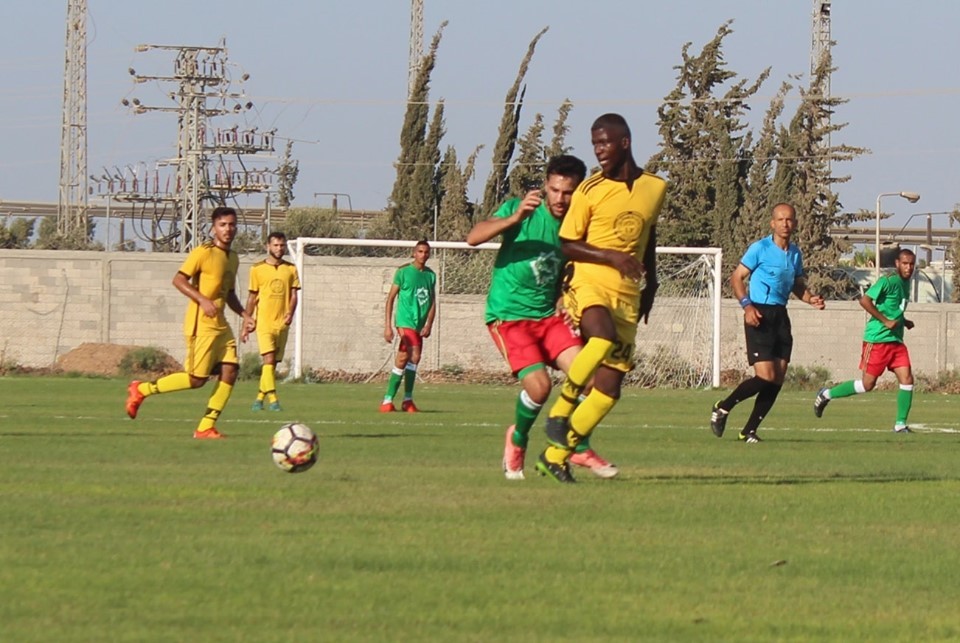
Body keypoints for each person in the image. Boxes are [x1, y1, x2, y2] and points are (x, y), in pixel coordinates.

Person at [467, 154, 619, 481]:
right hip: (509, 316)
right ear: (546, 186)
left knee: (592, 380)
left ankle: (578, 446)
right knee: (540, 388)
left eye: (568, 193)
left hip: (548, 318)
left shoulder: (578, 226)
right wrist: (515, 217)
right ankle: (517, 440)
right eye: (554, 190)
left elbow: (575, 268)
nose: (560, 199)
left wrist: (568, 298)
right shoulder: (520, 210)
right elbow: (474, 237)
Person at [534, 113, 667, 483]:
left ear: (624, 142)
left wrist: (651, 285)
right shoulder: (589, 190)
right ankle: (560, 413)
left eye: (604, 143)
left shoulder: (655, 187)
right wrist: (611, 256)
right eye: (594, 144)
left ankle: (555, 456)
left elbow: (648, 238)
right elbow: (567, 243)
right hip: (589, 281)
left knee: (609, 389)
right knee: (601, 335)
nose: (599, 151)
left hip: (627, 293)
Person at [125, 206, 254, 439]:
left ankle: (206, 426)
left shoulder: (233, 258)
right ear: (213, 227)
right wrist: (202, 299)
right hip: (200, 324)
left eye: (232, 224)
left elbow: (229, 293)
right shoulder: (202, 252)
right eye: (223, 225)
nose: (228, 229)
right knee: (196, 380)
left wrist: (245, 315)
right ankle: (141, 389)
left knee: (231, 370)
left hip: (221, 324)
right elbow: (178, 279)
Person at [710, 202, 825, 443]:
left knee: (778, 377)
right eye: (780, 219)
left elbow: (796, 285)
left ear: (795, 223)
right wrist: (747, 305)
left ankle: (748, 431)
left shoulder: (794, 253)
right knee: (765, 376)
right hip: (759, 313)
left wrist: (810, 299)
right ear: (772, 223)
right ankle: (723, 407)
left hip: (781, 316)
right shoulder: (760, 248)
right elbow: (737, 277)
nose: (785, 224)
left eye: (789, 219)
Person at [813, 248, 916, 432]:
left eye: (912, 264)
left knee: (907, 379)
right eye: (905, 263)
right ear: (897, 264)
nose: (909, 267)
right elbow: (865, 301)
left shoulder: (906, 283)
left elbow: (893, 308)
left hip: (896, 341)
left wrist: (904, 321)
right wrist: (885, 321)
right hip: (876, 340)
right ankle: (826, 394)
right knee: (867, 385)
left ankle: (900, 425)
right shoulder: (888, 281)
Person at [241, 231, 301, 412]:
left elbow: (293, 295)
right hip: (264, 323)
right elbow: (252, 297)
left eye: (282, 245)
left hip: (282, 323)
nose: (279, 248)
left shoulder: (290, 269)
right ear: (268, 246)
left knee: (272, 364)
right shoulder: (257, 269)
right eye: (275, 245)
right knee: (268, 360)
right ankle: (274, 400)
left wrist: (290, 313)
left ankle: (259, 399)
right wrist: (247, 321)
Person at [380, 239, 436, 413]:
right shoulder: (403, 272)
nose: (423, 255)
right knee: (415, 355)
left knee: (403, 359)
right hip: (404, 322)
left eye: (426, 252)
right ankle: (408, 400)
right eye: (420, 251)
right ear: (414, 253)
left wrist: (429, 324)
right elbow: (390, 299)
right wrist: (388, 326)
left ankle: (387, 401)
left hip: (419, 325)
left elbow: (432, 301)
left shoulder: (430, 275)